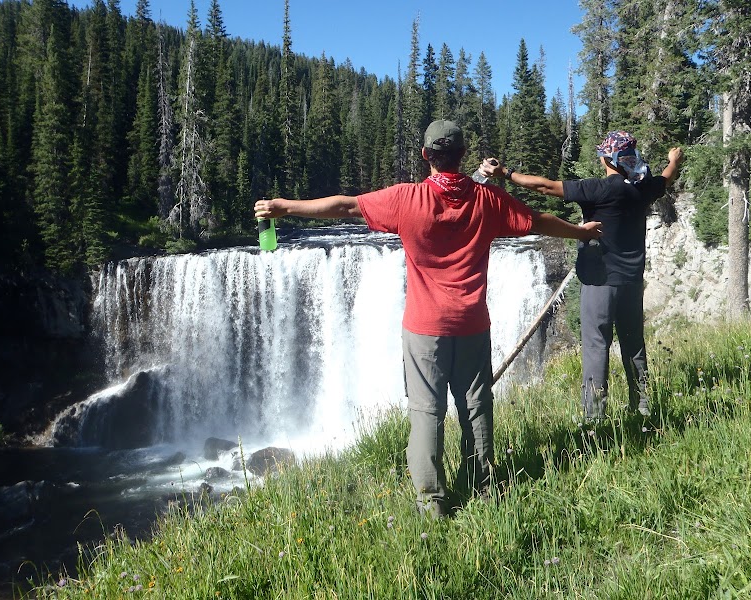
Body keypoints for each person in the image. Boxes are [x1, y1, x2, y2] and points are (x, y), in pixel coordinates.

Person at [254, 120, 602, 517]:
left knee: (426, 411)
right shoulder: (487, 201)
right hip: (472, 322)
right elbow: (538, 221)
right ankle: (483, 492)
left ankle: (431, 502)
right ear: (462, 156)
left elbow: (347, 204)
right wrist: (581, 232)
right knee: (476, 405)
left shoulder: (407, 199)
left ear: (426, 156)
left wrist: (286, 208)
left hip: (424, 328)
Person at [478, 131, 684, 422]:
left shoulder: (598, 189)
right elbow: (667, 176)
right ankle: (642, 408)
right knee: (633, 344)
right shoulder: (643, 189)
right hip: (632, 281)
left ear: (605, 158)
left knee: (596, 346)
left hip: (599, 281)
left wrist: (505, 173)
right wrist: (673, 160)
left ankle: (595, 420)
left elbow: (545, 187)